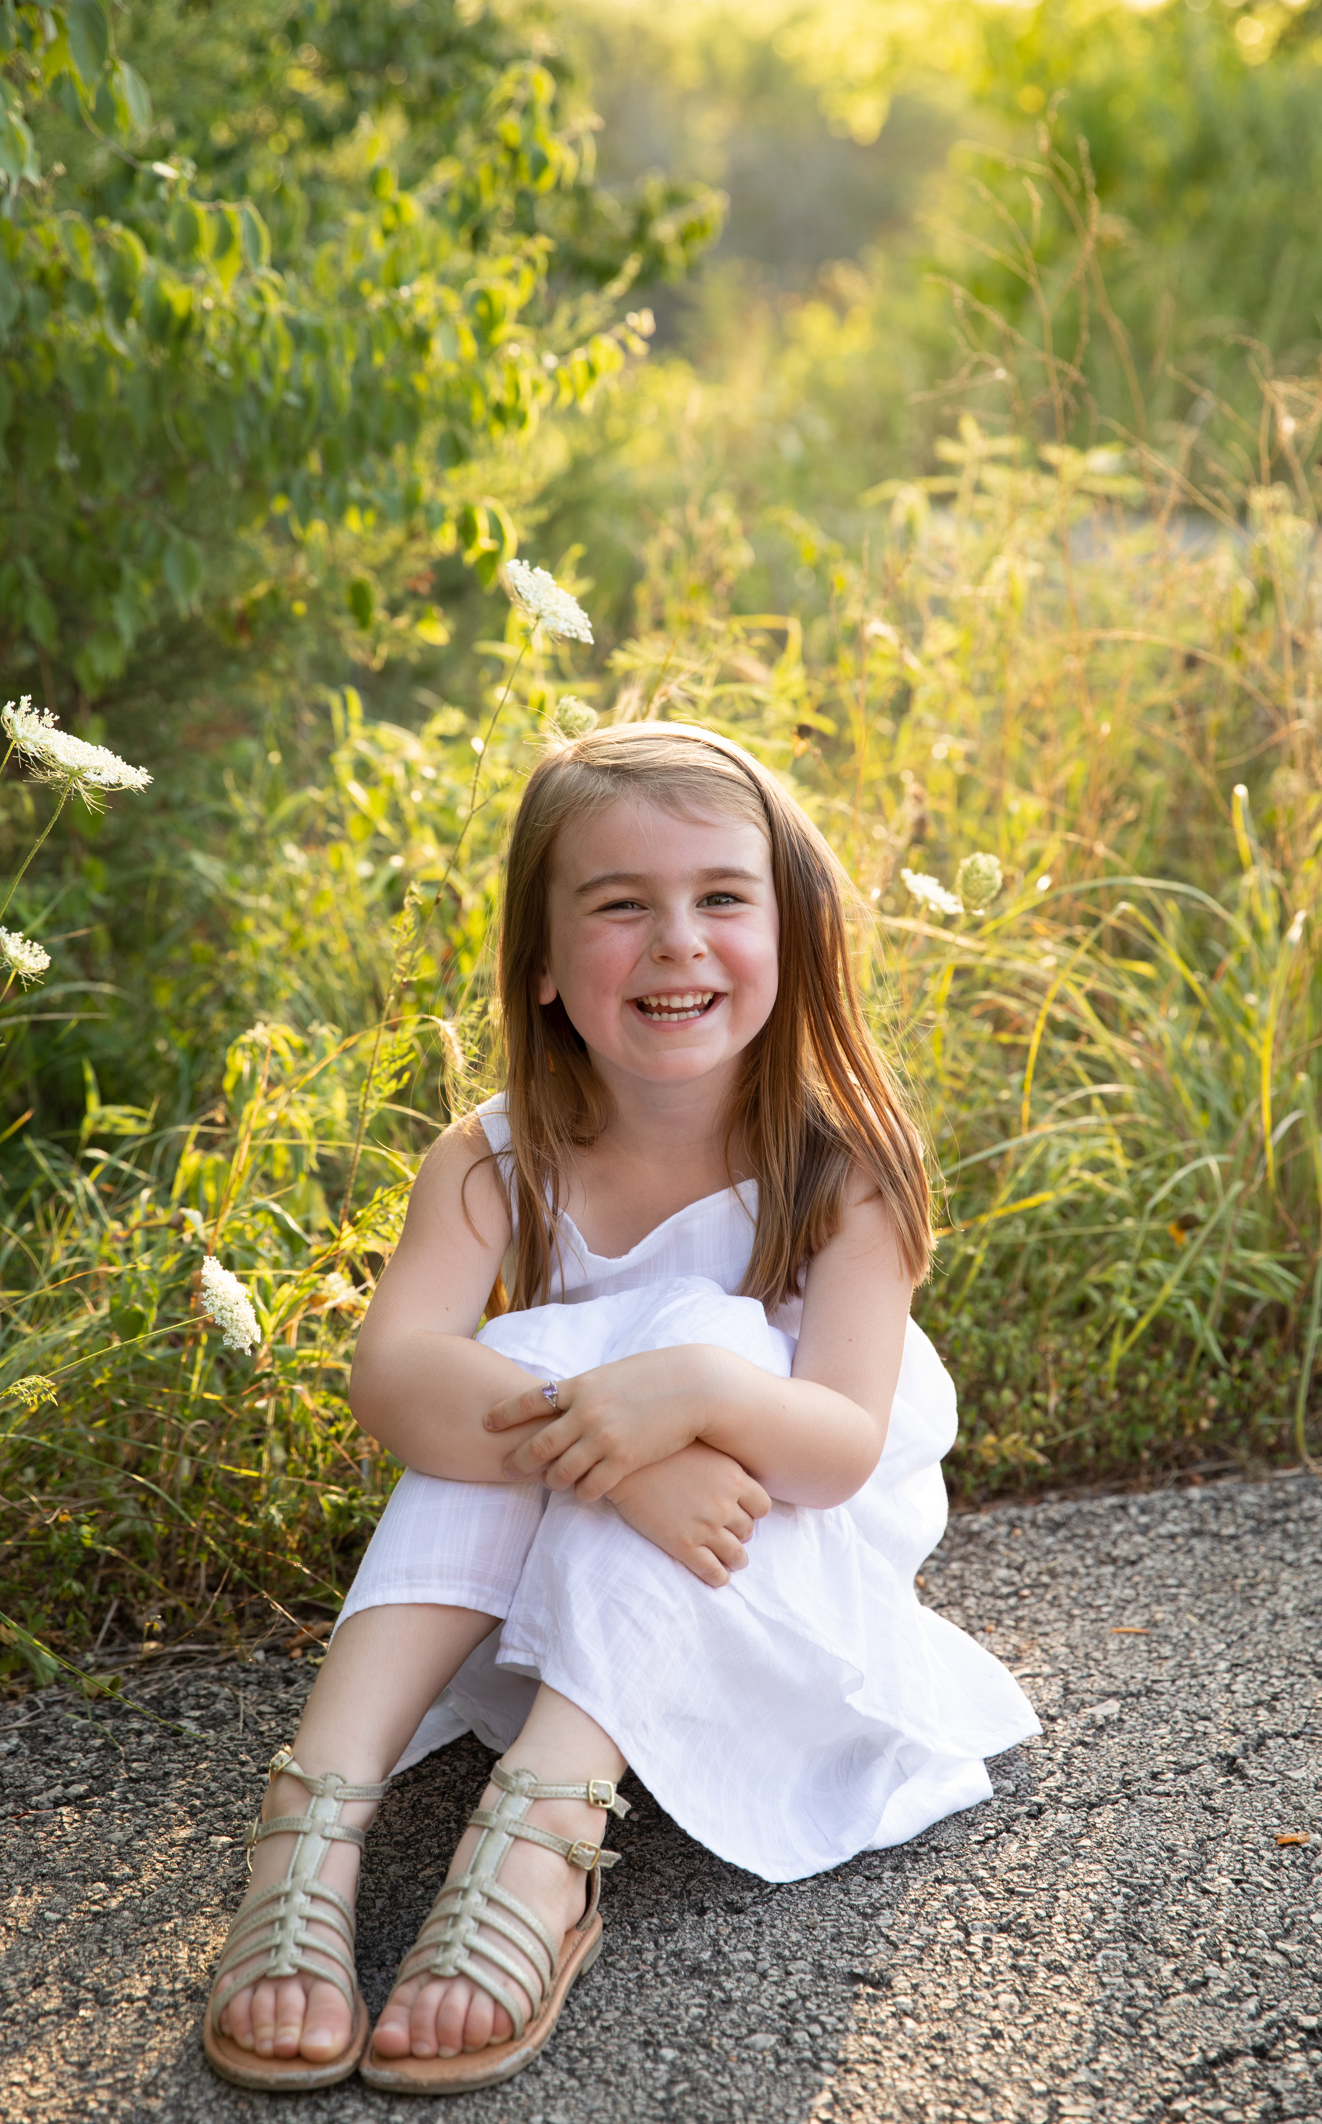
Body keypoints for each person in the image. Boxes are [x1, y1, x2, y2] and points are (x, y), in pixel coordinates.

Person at [201, 720, 1039, 2095]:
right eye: (618, 906)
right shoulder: (487, 1162)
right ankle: (315, 1816)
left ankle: (544, 1831)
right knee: (515, 1359)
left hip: (766, 1580)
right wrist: (624, 1454)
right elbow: (395, 1381)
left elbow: (833, 1453)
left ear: (796, 933)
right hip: (549, 1596)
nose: (675, 942)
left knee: (695, 1333)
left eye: (720, 897)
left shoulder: (844, 1177)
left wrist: (701, 1390)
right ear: (541, 962)